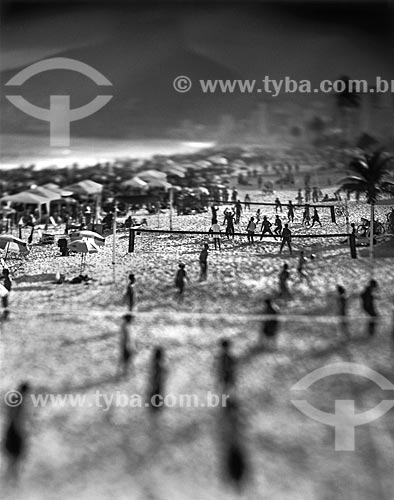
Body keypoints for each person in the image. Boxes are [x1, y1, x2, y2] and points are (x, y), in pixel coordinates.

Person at [3, 382, 30, 479]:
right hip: (15, 431)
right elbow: (15, 417)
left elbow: (10, 414)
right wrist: (20, 432)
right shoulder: (18, 400)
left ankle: (10, 481)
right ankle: (12, 481)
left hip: (11, 430)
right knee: (14, 459)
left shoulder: (14, 398)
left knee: (12, 460)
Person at [148, 347, 166, 411]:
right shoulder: (160, 365)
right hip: (157, 386)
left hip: (156, 386)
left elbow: (154, 376)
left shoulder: (157, 365)